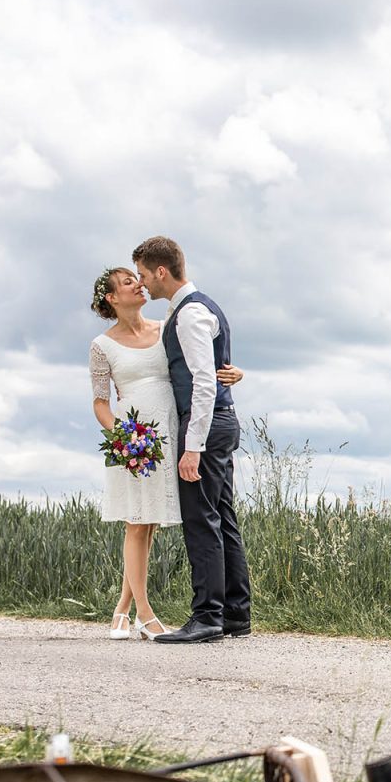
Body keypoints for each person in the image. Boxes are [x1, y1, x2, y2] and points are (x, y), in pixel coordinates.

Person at [88, 266, 243, 641]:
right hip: (134, 438)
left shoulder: (166, 327)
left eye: (138, 278)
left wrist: (235, 374)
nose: (139, 285)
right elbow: (100, 403)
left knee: (150, 521)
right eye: (128, 282)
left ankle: (122, 609)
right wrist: (125, 440)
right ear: (112, 298)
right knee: (136, 521)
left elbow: (199, 364)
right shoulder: (101, 345)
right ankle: (143, 611)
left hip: (173, 431)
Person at [131, 236, 253, 643]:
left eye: (145, 275)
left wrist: (192, 447)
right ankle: (235, 614)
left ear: (161, 271)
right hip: (220, 421)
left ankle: (207, 618)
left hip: (205, 424)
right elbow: (214, 370)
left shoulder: (190, 314)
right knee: (222, 518)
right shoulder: (196, 308)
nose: (143, 283)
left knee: (201, 521)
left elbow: (203, 381)